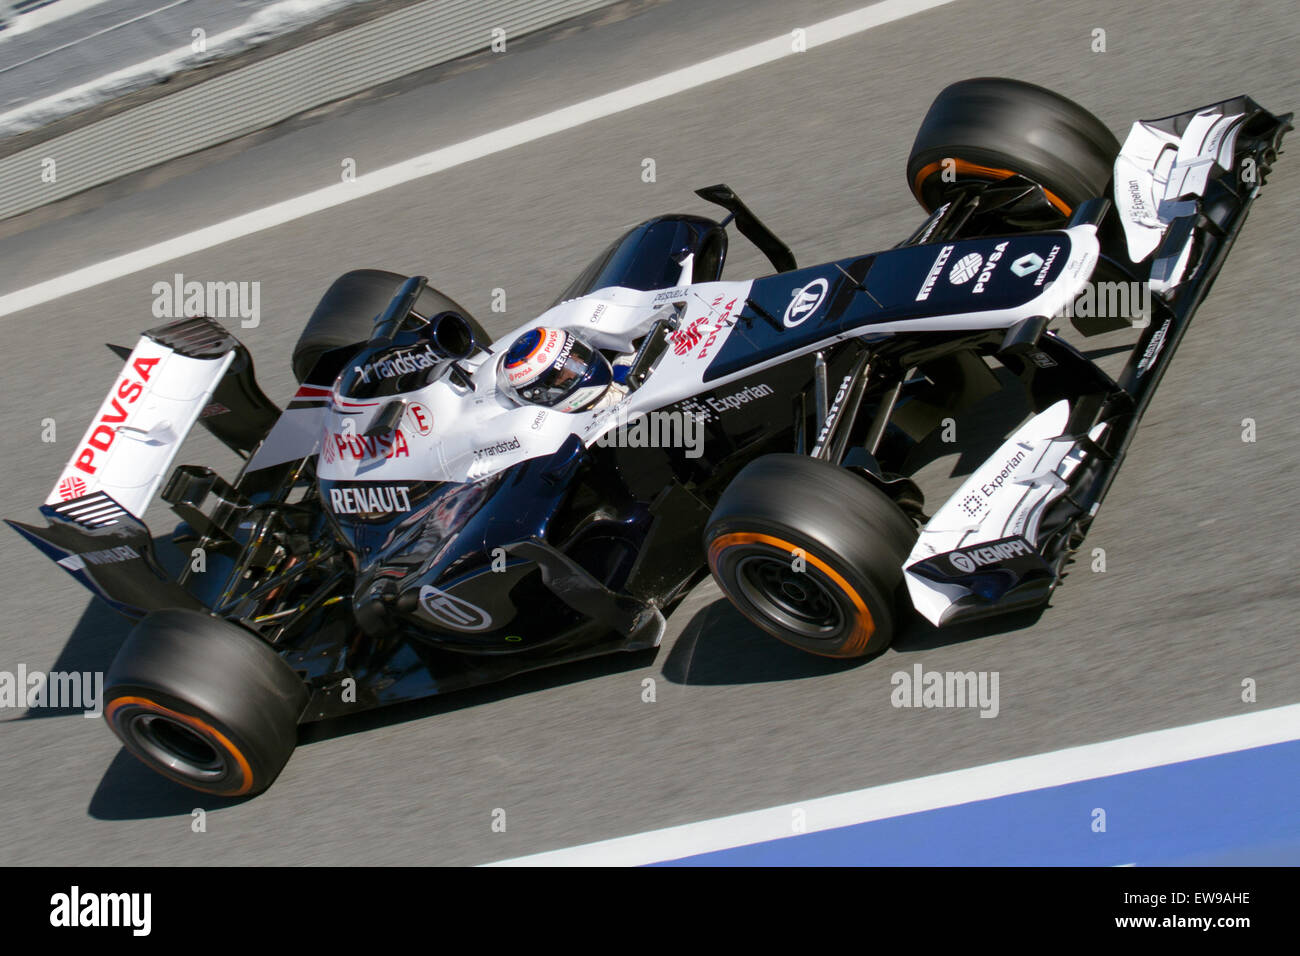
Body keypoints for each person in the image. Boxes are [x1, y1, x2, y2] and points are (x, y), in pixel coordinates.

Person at [497, 327, 629, 412]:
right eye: (563, 373)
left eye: (575, 353)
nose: (579, 362)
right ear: (545, 394)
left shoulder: (625, 362)